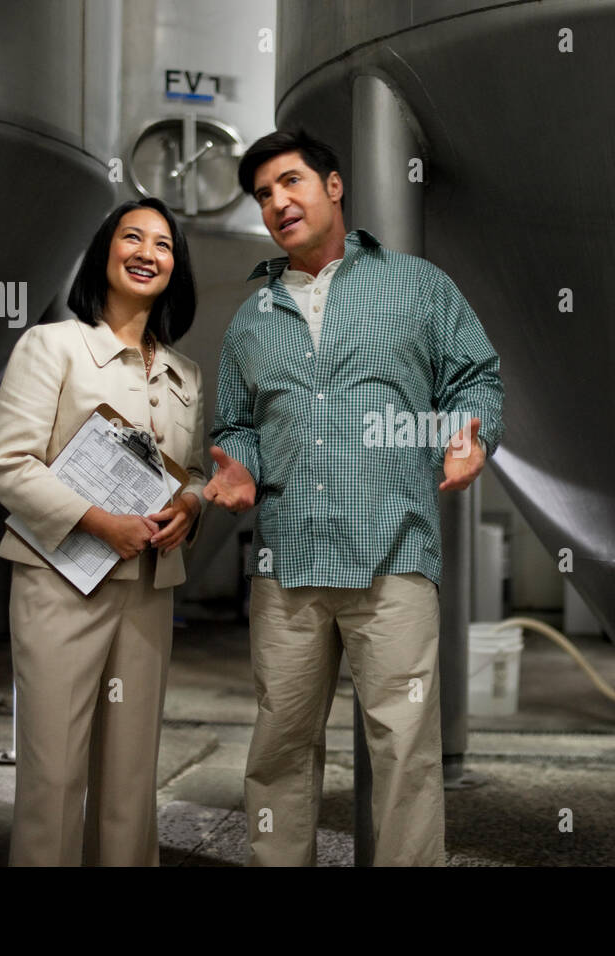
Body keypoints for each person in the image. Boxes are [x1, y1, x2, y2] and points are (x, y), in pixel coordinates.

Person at [204, 128, 504, 866]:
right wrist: (237, 465)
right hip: (286, 564)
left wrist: (473, 436)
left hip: (393, 554)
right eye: (265, 194)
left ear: (333, 187)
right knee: (278, 750)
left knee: (405, 752)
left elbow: (476, 377)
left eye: (291, 183)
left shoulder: (417, 285)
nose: (279, 202)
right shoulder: (251, 319)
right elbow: (235, 424)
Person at [0, 197, 207, 866]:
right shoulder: (52, 345)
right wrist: (99, 521)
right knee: (54, 773)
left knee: (132, 779)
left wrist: (192, 507)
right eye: (132, 238)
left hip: (147, 587)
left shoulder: (186, 374)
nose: (147, 253)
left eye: (163, 245)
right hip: (61, 580)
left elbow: (191, 473)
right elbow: (7, 464)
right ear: (104, 254)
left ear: (176, 267)